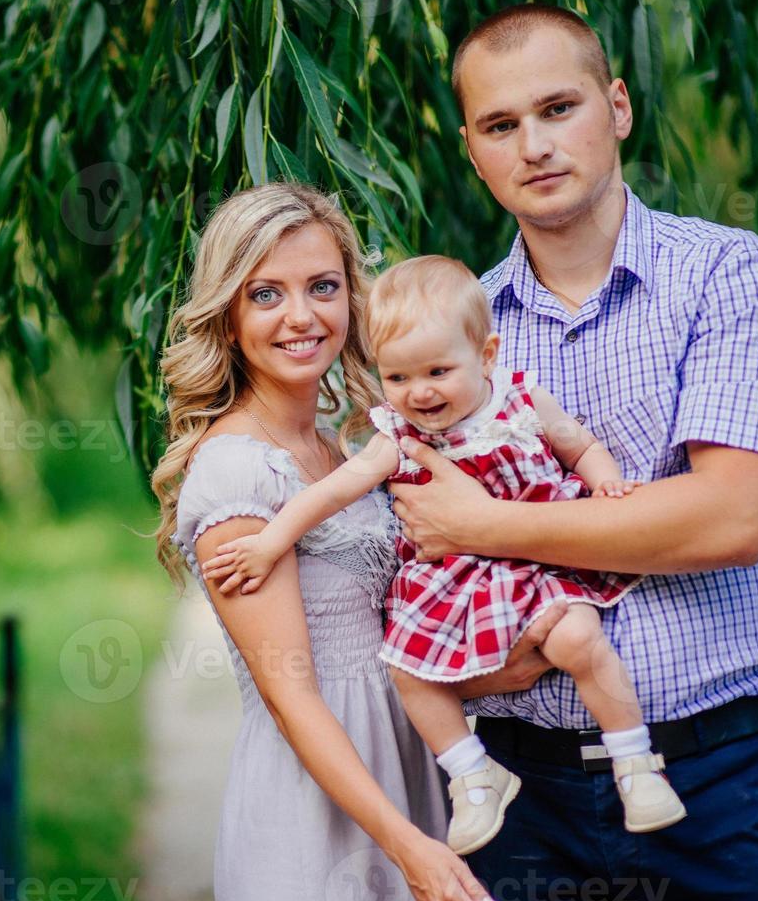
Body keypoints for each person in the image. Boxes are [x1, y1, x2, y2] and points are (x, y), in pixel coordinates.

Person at [387, 2, 758, 901]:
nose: (535, 145)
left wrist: (485, 525)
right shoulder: (445, 341)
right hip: (526, 801)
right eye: (501, 125)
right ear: (470, 150)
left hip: (719, 785)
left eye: (559, 108)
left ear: (617, 106)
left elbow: (729, 519)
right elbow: (416, 557)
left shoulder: (732, 279)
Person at [153, 182, 566, 901]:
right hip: (316, 825)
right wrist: (408, 848)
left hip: (409, 787)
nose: (300, 316)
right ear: (229, 314)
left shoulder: (346, 450)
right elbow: (292, 697)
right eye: (265, 294)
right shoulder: (234, 473)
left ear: (352, 298)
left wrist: (494, 670)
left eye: (322, 286)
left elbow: (384, 644)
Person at [202, 255, 687, 858]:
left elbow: (578, 445)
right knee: (410, 670)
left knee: (578, 640)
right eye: (399, 378)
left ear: (485, 356)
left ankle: (635, 761)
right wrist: (271, 541)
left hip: (534, 563)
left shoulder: (519, 402)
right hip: (452, 582)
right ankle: (471, 774)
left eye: (437, 371)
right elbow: (331, 492)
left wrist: (607, 483)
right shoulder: (397, 437)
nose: (421, 393)